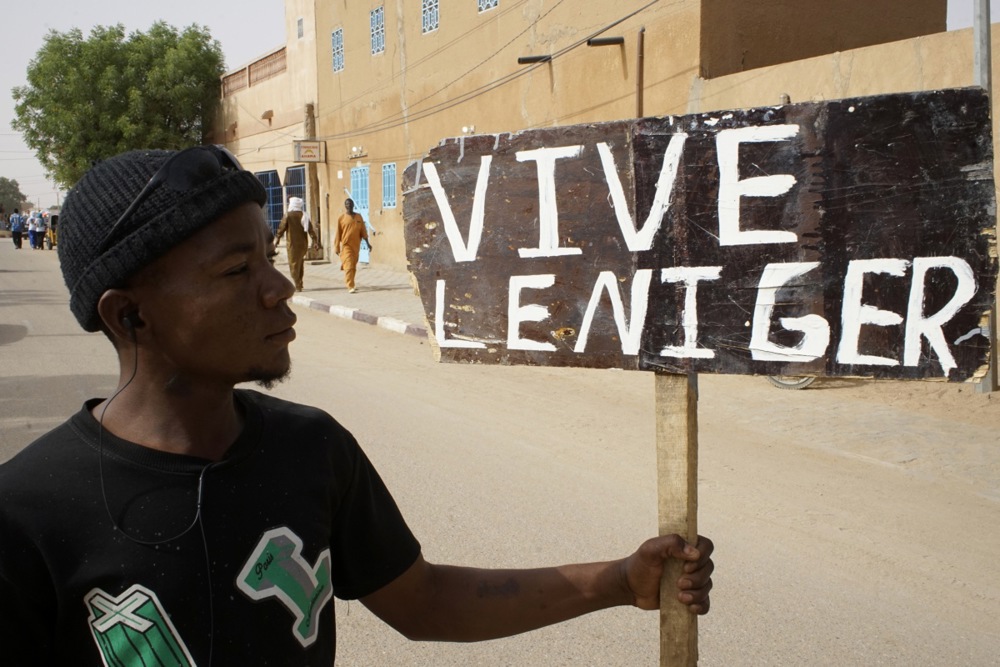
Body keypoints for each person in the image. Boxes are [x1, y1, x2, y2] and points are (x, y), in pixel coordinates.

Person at [0, 145, 714, 665]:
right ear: (130, 317)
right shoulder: (29, 512)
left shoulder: (311, 450)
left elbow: (424, 599)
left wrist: (620, 580)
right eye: (236, 270)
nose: (278, 288)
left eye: (269, 257)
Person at [274, 195, 319, 291]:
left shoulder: (288, 215)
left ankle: (297, 285)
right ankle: (300, 283)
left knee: (293, 264)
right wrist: (315, 241)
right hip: (303, 244)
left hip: (292, 244)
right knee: (300, 263)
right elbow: (311, 230)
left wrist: (277, 239)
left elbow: (281, 228)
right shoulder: (304, 215)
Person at [334, 198, 369, 293]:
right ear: (345, 206)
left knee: (353, 265)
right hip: (346, 246)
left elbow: (363, 231)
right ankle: (350, 286)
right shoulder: (341, 218)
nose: (348, 205)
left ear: (353, 205)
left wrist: (368, 244)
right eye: (346, 204)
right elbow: (338, 233)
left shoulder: (359, 217)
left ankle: (352, 283)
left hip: (356, 246)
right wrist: (337, 246)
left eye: (350, 204)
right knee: (349, 265)